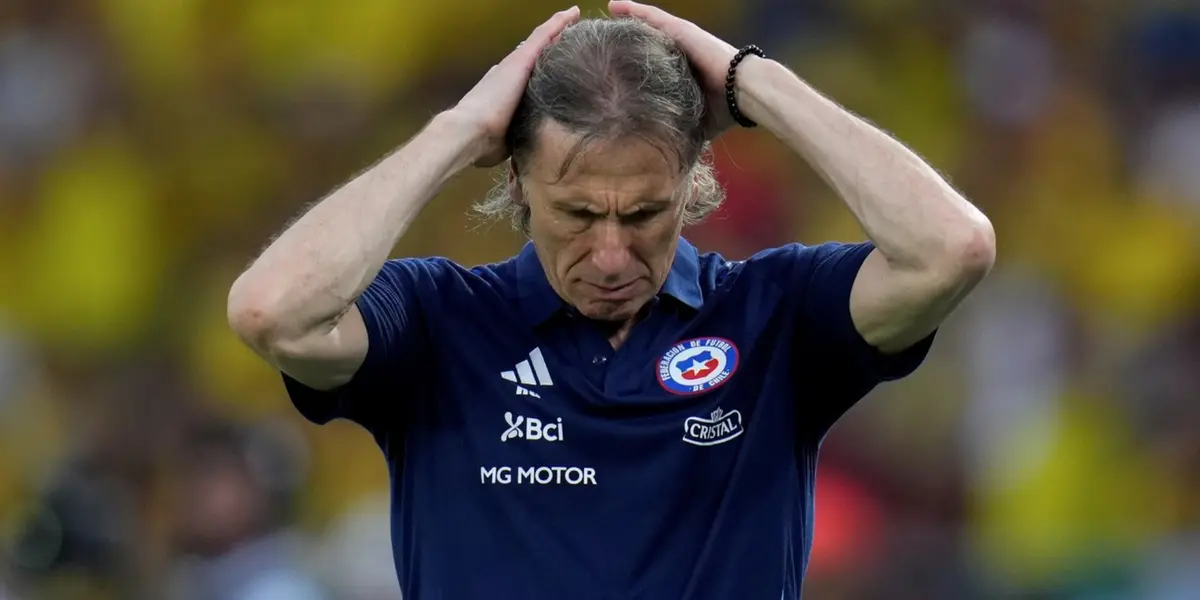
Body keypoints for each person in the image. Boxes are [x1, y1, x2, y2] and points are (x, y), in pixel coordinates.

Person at [227, 2, 996, 598]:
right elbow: (272, 311)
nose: (611, 254)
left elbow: (950, 249)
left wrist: (750, 80)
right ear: (517, 181)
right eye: (579, 214)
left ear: (694, 181)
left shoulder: (773, 316)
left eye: (644, 213)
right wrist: (457, 131)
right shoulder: (436, 321)